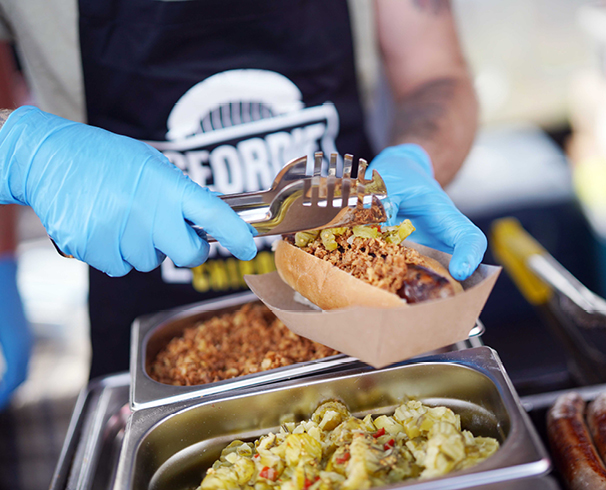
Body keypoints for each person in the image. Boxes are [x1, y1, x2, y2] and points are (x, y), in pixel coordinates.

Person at [0, 0, 486, 404]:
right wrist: (22, 157)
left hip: (360, 315)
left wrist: (418, 156)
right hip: (148, 325)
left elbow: (435, 73)